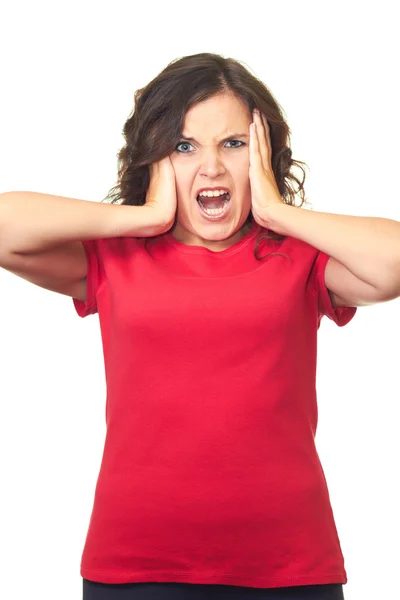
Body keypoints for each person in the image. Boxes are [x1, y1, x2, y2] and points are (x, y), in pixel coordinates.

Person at [3, 52, 399, 600]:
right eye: (184, 146)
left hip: (289, 564)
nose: (211, 167)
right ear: (156, 157)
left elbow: (394, 264)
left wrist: (279, 213)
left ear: (262, 155)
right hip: (136, 565)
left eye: (233, 144)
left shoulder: (300, 258)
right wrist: (145, 217)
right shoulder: (117, 258)